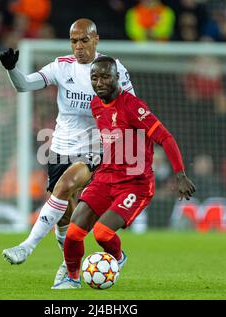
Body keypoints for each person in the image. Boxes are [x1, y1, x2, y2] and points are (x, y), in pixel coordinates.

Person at [0, 19, 135, 286]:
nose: (79, 46)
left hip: (94, 150)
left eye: (84, 40)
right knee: (64, 216)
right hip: (60, 148)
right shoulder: (62, 67)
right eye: (74, 41)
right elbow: (24, 85)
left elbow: (131, 106)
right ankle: (68, 265)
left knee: (65, 186)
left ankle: (27, 246)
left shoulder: (112, 68)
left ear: (96, 40)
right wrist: (11, 70)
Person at [52, 56, 195, 289]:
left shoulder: (133, 107)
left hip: (135, 183)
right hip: (105, 178)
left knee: (102, 233)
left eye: (105, 77)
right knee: (74, 231)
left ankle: (118, 258)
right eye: (94, 77)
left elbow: (165, 138)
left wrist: (180, 174)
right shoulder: (96, 105)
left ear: (118, 78)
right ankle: (72, 278)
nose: (99, 82)